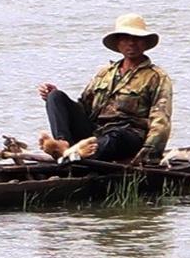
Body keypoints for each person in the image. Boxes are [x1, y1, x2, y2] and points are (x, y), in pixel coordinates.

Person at [37, 14, 174, 165]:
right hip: (96, 134)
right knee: (56, 96)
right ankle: (64, 146)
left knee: (117, 135)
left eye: (137, 39)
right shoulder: (105, 73)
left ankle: (75, 155)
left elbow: (160, 122)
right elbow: (84, 108)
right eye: (125, 39)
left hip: (128, 136)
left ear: (145, 43)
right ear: (118, 43)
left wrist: (147, 156)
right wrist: (55, 99)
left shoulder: (156, 77)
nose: (131, 43)